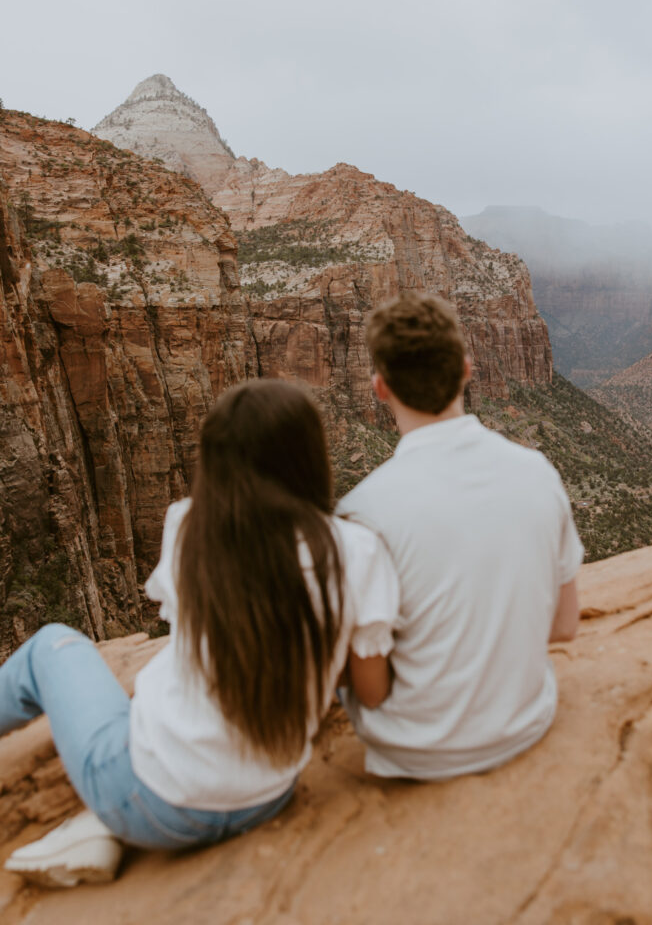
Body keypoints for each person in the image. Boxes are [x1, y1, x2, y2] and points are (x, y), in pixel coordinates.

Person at [1, 379, 399, 887]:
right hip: (265, 797)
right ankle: (99, 828)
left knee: (51, 646)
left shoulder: (189, 527)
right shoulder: (356, 549)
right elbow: (371, 690)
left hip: (148, 800)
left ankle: (108, 824)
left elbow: (188, 633)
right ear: (310, 456)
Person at [337, 292, 583, 780]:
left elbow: (371, 690)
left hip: (413, 751)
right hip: (526, 723)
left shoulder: (362, 511)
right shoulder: (537, 472)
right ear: (468, 371)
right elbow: (564, 626)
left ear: (380, 387)